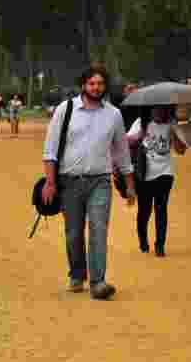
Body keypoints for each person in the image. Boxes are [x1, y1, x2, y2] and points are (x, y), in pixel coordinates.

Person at [41, 67, 136, 300]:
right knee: (73, 232)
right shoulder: (66, 110)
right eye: (92, 83)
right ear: (83, 85)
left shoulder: (113, 115)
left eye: (100, 84)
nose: (96, 88)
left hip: (100, 182)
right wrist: (50, 182)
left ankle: (98, 282)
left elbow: (122, 152)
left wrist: (130, 184)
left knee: (98, 230)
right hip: (69, 182)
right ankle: (76, 274)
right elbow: (50, 149)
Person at [126, 104, 188, 256]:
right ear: (151, 109)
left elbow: (181, 151)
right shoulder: (141, 123)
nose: (160, 112)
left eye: (163, 109)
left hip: (165, 172)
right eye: (156, 108)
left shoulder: (172, 125)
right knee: (144, 210)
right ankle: (143, 241)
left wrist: (173, 133)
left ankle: (160, 245)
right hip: (144, 173)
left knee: (161, 209)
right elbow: (127, 142)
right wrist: (139, 134)